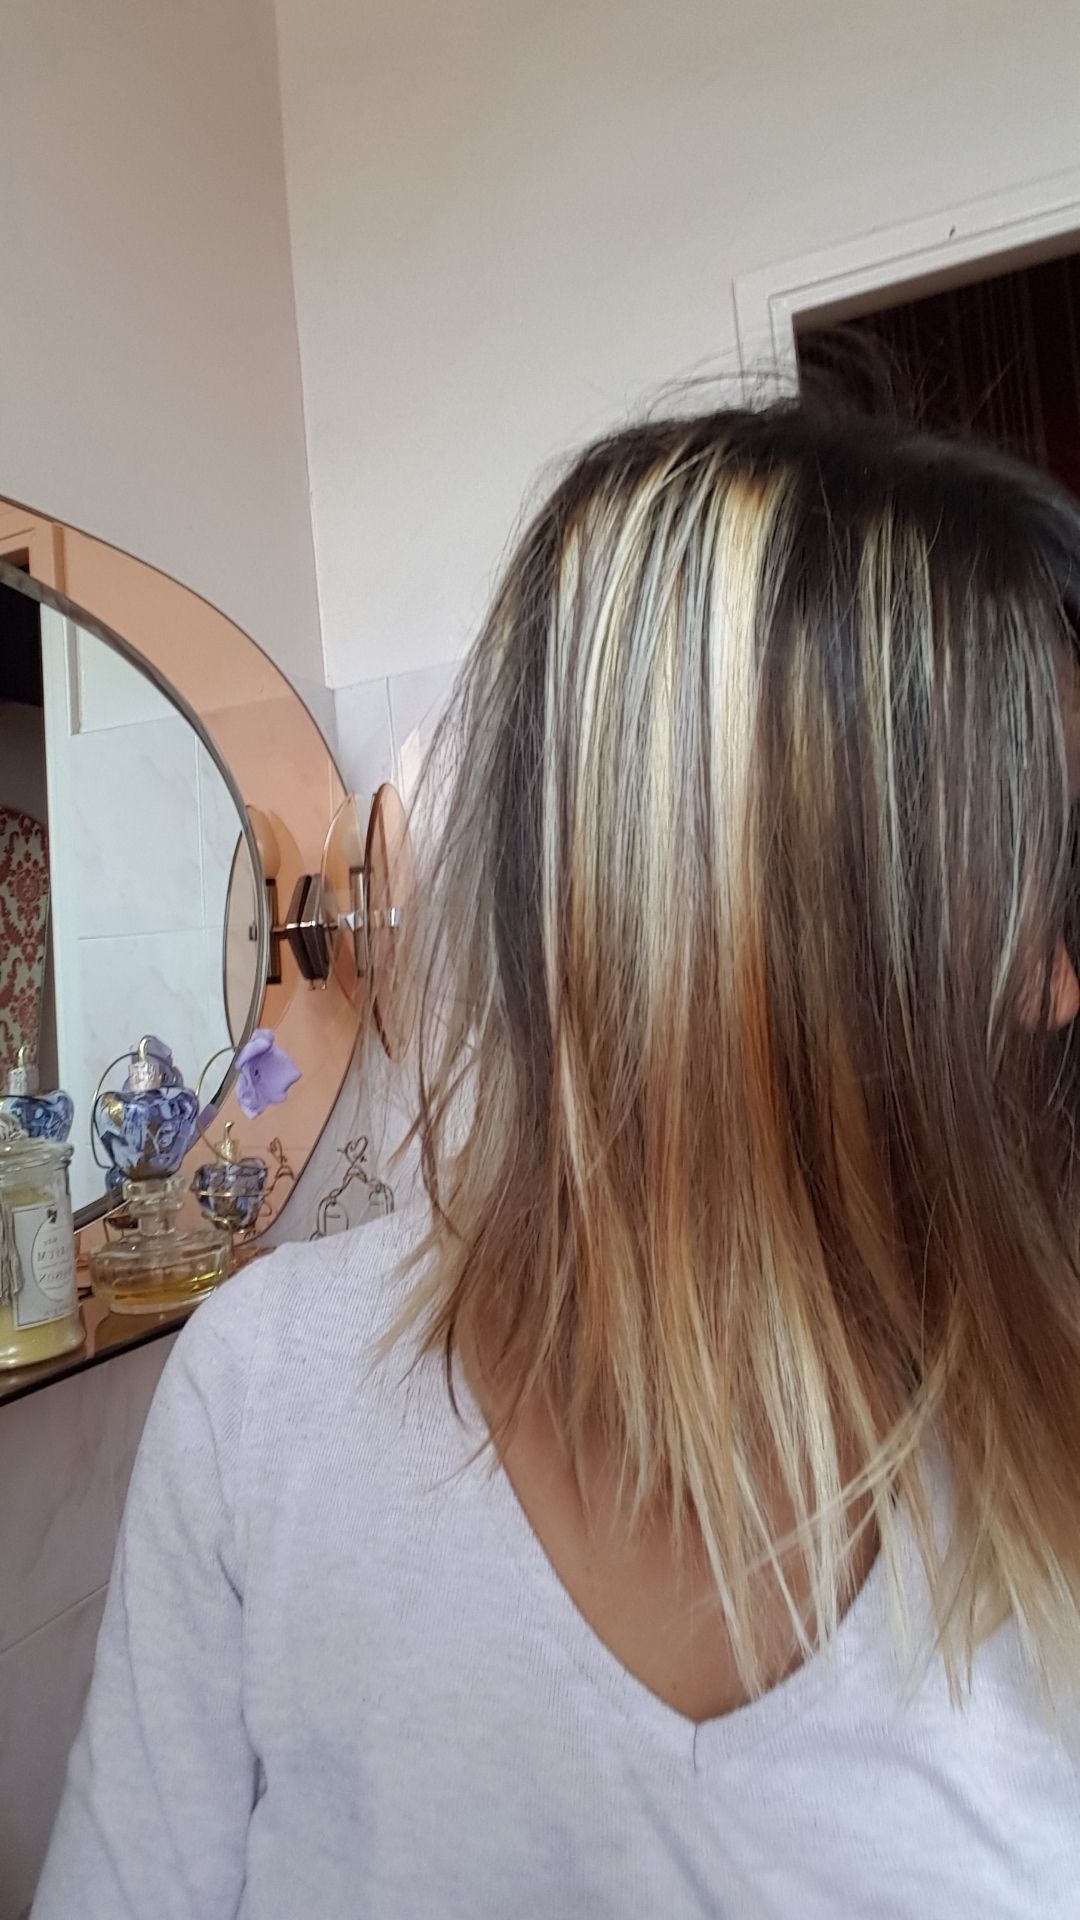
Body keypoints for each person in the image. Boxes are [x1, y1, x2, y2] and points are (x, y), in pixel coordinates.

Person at [34, 399, 1080, 1918]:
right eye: (1022, 881)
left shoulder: (1040, 1444)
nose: (1060, 986)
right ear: (710, 903)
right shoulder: (269, 1400)